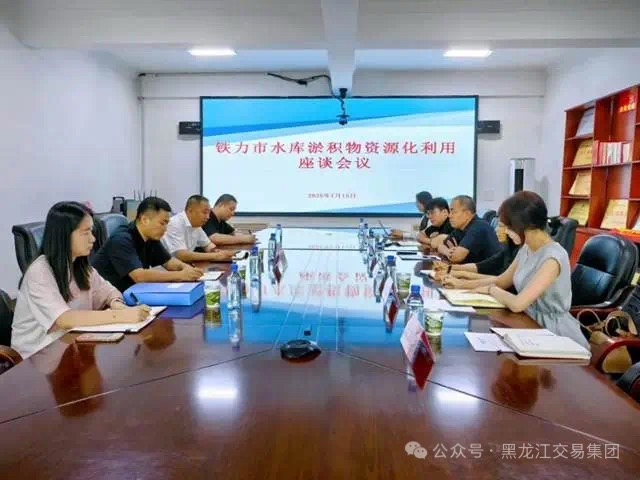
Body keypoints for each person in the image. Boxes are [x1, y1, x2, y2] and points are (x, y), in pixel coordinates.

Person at [11, 202, 150, 358]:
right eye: (86, 232)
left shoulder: (80, 265)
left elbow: (109, 292)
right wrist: (121, 316)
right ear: (64, 236)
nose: (93, 239)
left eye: (92, 231)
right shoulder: (40, 272)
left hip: (71, 346)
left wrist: (117, 304)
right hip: (38, 357)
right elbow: (64, 319)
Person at [467, 191, 589, 349]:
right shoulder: (526, 248)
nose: (506, 232)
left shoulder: (553, 257)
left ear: (521, 226)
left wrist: (490, 290)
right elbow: (501, 281)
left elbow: (517, 304)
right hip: (526, 322)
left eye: (508, 227)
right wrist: (461, 285)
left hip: (553, 332)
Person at [92, 196, 203, 292]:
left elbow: (169, 262)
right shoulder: (121, 239)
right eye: (162, 223)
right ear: (145, 219)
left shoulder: (151, 237)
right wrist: (181, 275)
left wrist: (186, 268)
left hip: (134, 291)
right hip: (107, 299)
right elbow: (139, 276)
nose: (165, 229)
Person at [440, 221, 522, 289]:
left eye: (501, 226)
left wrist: (461, 279)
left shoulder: (478, 227)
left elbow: (502, 281)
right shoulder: (509, 248)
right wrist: (450, 268)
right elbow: (482, 266)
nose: (496, 229)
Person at [162, 195, 236, 263]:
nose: (208, 217)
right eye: (204, 212)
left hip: (183, 265)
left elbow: (207, 245)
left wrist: (218, 252)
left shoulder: (197, 225)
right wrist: (215, 256)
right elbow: (181, 255)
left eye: (208, 213)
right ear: (190, 211)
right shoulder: (175, 223)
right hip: (167, 269)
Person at [438, 195, 501, 264]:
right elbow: (440, 246)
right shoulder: (460, 228)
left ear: (467, 214)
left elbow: (457, 257)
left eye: (453, 212)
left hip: (489, 270)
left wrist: (453, 254)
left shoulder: (478, 227)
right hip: (470, 269)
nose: (449, 216)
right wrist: (447, 252)